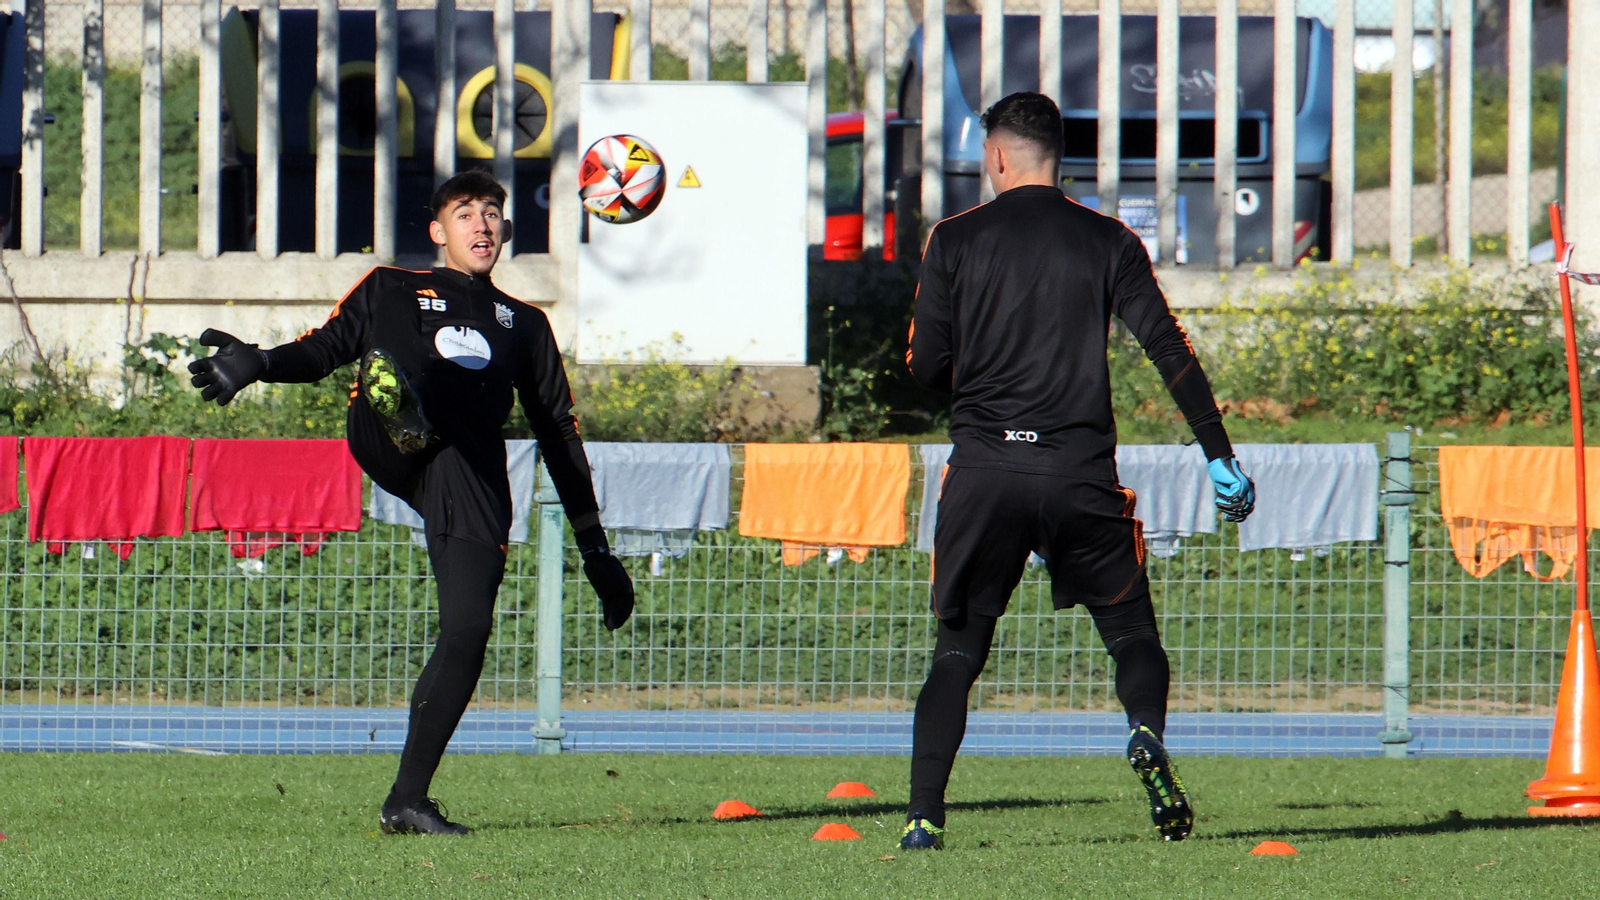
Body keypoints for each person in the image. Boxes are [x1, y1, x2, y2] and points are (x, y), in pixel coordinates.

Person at [186, 170, 635, 836]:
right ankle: (394, 403)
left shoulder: (527, 327)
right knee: (387, 381)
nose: (481, 225)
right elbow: (324, 349)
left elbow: (559, 434)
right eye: (465, 214)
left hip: (465, 473)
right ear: (438, 231)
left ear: (505, 231)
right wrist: (260, 362)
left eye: (492, 214)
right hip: (390, 441)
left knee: (467, 632)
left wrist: (595, 548)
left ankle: (407, 801)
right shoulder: (391, 287)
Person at [900, 93, 1255, 850]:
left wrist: (980, 373)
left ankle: (924, 816)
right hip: (1079, 474)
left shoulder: (955, 240)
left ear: (996, 155)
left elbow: (925, 365)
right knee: (1131, 634)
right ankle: (1145, 732)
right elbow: (1170, 351)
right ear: (1060, 156)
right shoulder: (1109, 240)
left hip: (985, 471)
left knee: (958, 652)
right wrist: (1218, 456)